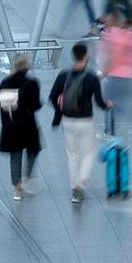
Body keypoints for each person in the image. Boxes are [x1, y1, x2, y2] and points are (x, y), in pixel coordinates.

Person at [50, 41, 108, 203]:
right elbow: (99, 102)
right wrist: (108, 105)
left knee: (72, 154)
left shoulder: (63, 75)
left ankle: (74, 188)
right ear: (86, 56)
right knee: (89, 152)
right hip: (86, 120)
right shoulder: (91, 77)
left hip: (67, 121)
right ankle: (81, 182)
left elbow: (52, 97)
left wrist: (60, 111)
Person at [0, 53, 44, 199]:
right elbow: (36, 105)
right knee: (33, 150)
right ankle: (28, 176)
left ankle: (17, 189)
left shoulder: (6, 82)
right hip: (28, 125)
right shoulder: (32, 83)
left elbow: (1, 104)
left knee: (15, 156)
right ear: (27, 65)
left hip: (11, 126)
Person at [98, 11, 132, 138]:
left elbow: (113, 59)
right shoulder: (126, 35)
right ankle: (109, 130)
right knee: (124, 105)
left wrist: (102, 75)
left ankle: (108, 131)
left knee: (110, 103)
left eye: (107, 20)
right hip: (126, 76)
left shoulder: (121, 36)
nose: (104, 21)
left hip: (118, 76)